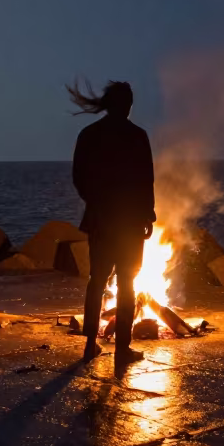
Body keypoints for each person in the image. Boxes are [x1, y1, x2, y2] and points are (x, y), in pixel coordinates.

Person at [69, 79, 155, 364]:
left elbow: (78, 177)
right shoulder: (137, 135)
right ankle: (122, 348)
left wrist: (94, 202)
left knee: (97, 281)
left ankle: (90, 344)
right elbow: (146, 179)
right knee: (127, 283)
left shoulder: (89, 134)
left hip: (99, 219)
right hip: (130, 221)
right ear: (128, 105)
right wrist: (148, 213)